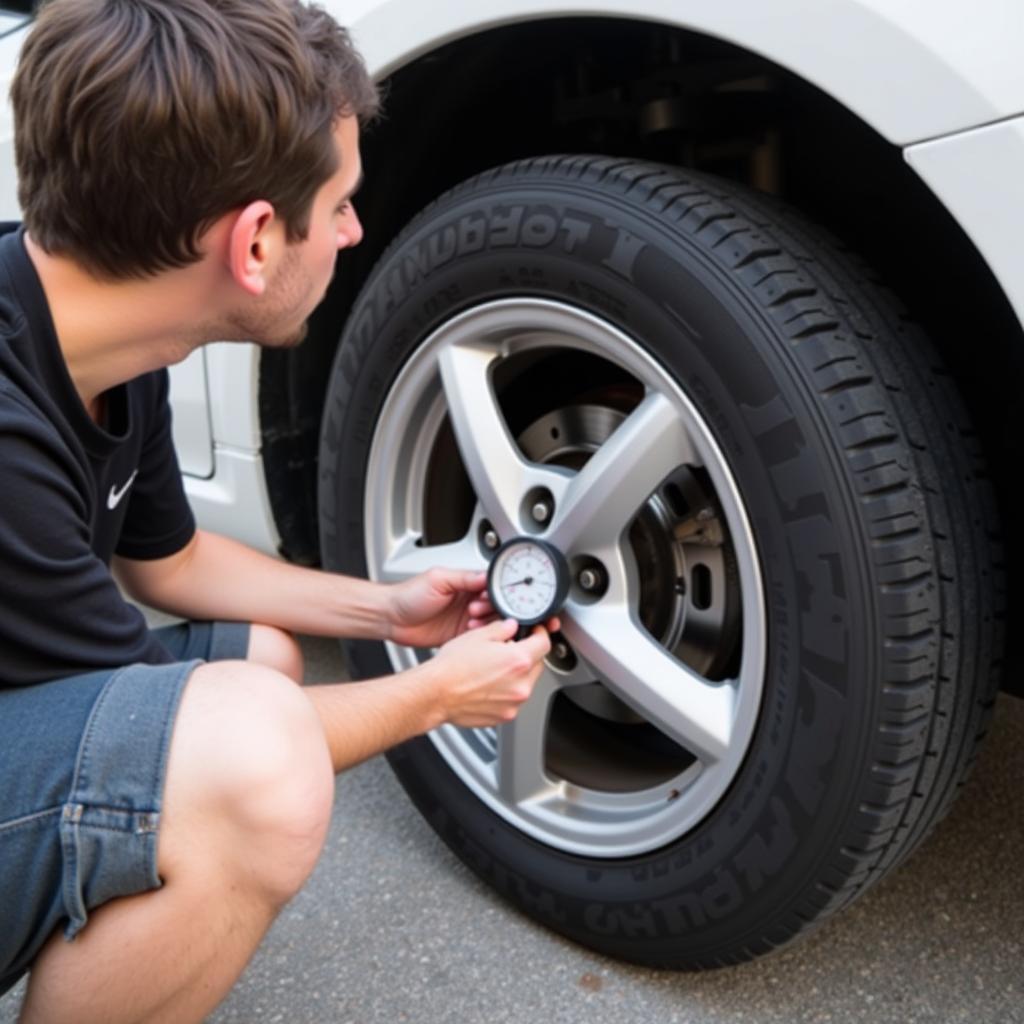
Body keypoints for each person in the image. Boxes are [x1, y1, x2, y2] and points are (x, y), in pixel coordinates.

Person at [0, 1, 555, 1020]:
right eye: (338, 202)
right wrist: (438, 694)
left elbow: (165, 564)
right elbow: (230, 751)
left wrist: (388, 611)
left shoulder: (100, 326)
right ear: (255, 242)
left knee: (259, 659)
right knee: (254, 770)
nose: (352, 228)